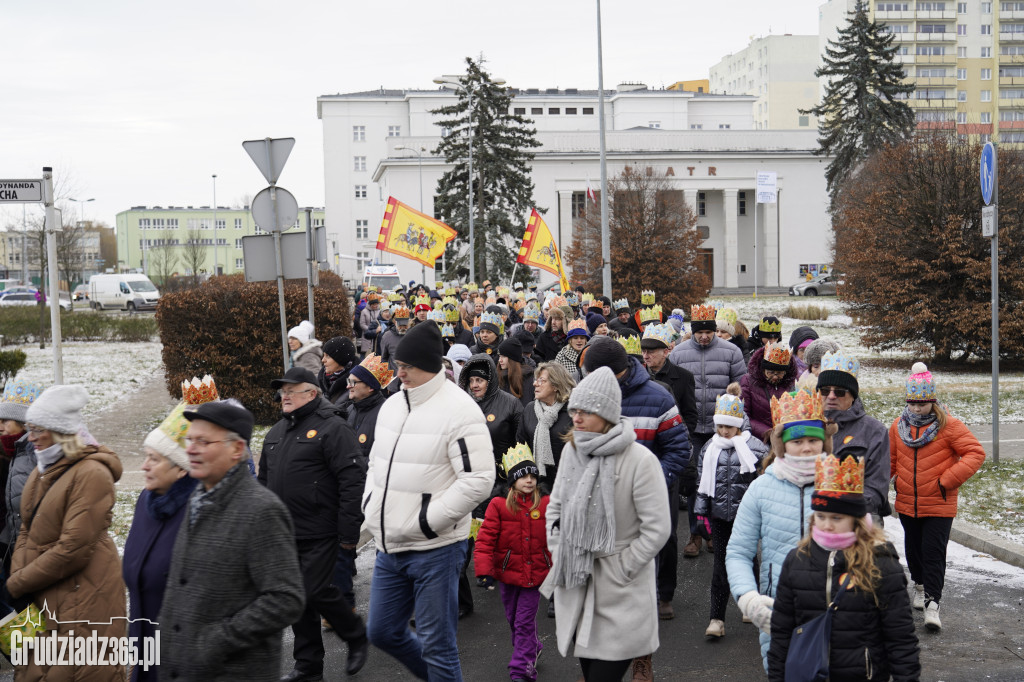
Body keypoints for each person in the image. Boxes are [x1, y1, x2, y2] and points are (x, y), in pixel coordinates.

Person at [362, 321, 495, 682]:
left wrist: (426, 520)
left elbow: (479, 479)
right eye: (398, 365)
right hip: (390, 549)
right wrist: (369, 513)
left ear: (431, 367)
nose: (398, 372)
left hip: (436, 549)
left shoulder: (460, 410)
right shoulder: (392, 406)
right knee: (382, 632)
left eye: (407, 367)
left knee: (439, 646)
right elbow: (377, 466)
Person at [541, 367, 670, 682]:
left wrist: (623, 567)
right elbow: (555, 507)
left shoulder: (640, 460)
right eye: (575, 410)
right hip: (576, 580)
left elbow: (658, 528)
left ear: (608, 413)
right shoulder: (573, 449)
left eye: (586, 411)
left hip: (621, 592)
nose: (577, 417)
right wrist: (560, 550)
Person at [161, 400, 306, 681]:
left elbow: (286, 599)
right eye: (190, 440)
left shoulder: (262, 510)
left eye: (203, 441)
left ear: (237, 449)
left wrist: (215, 641)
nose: (190, 448)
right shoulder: (198, 498)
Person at [580, 337, 689, 676]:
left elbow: (679, 451)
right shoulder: (589, 399)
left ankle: (642, 656)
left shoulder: (658, 399)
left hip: (644, 502)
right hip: (598, 504)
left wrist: (650, 481)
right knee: (596, 583)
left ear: (618, 374)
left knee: (641, 579)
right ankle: (595, 658)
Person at [7, 385, 127, 681]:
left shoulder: (91, 474)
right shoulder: (41, 470)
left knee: (78, 669)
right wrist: (20, 576)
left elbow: (72, 549)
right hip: (46, 592)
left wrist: (19, 581)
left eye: (37, 429)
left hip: (83, 593)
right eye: (29, 428)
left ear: (59, 431)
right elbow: (26, 528)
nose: (30, 437)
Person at [767, 452, 921, 681]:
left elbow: (900, 638)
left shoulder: (881, 563)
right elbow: (781, 631)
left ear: (856, 519)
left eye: (837, 518)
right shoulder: (797, 560)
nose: (827, 525)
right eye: (821, 516)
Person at [258, 366, 369, 680]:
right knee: (298, 597)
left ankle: (354, 632)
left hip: (323, 530)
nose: (285, 396)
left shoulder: (333, 427)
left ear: (312, 392)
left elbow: (352, 480)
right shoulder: (277, 432)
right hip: (286, 533)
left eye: (292, 390)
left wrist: (349, 531)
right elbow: (264, 483)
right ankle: (308, 666)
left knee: (312, 590)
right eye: (283, 391)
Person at [726, 386, 830, 669]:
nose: (807, 447)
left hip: (832, 607)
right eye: (797, 441)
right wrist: (748, 598)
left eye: (813, 439)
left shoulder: (840, 487)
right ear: (781, 444)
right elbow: (738, 551)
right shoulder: (761, 488)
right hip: (777, 609)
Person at [123, 378, 211, 682]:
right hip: (145, 650)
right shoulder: (146, 501)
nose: (144, 466)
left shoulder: (202, 511)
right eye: (146, 457)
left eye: (154, 459)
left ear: (181, 468)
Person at [890, 363, 985, 632]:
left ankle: (933, 604)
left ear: (933, 401)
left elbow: (975, 453)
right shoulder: (898, 427)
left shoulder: (949, 426)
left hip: (940, 504)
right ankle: (918, 586)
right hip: (908, 502)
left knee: (933, 553)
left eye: (923, 404)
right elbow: (891, 461)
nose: (917, 409)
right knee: (913, 550)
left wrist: (947, 481)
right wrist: (881, 483)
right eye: (913, 403)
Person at [670, 304, 746, 558]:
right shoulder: (679, 354)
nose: (704, 336)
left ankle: (715, 532)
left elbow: (740, 388)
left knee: (720, 481)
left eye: (708, 332)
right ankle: (695, 533)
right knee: (694, 482)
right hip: (690, 427)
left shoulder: (731, 352)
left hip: (721, 428)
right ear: (692, 331)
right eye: (699, 331)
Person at [694, 384, 768, 639]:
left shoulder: (755, 448)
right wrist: (701, 515)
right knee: (721, 565)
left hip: (747, 517)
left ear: (739, 424)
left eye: (729, 426)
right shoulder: (709, 448)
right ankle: (716, 618)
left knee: (749, 559)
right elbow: (701, 485)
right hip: (720, 516)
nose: (724, 431)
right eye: (720, 426)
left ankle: (749, 602)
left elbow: (764, 483)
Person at [474, 445, 551, 682]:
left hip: (534, 575)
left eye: (533, 476)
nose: (529, 480)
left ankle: (521, 670)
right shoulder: (498, 505)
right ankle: (533, 647)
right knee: (513, 619)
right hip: (508, 574)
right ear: (512, 481)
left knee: (524, 621)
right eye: (523, 476)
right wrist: (484, 571)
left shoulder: (546, 503)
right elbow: (485, 540)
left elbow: (557, 537)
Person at [817, 350, 890, 524]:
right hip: (813, 514)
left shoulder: (874, 431)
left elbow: (876, 487)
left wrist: (842, 509)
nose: (832, 396)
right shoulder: (806, 424)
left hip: (858, 517)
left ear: (852, 395)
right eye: (825, 390)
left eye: (840, 392)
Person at [0, 378, 43, 611]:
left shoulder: (34, 454)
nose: (0, 426)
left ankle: (29, 646)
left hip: (31, 552)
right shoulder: (8, 451)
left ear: (24, 424)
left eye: (5, 420)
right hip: (10, 550)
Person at [517, 362, 575, 496]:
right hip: (536, 486)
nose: (535, 384)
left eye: (541, 380)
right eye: (536, 380)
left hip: (566, 486)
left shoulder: (572, 412)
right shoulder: (530, 409)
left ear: (555, 385)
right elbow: (521, 446)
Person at [641, 322, 698, 439]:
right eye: (644, 351)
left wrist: (682, 439)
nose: (645, 356)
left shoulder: (684, 377)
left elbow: (690, 415)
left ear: (665, 352)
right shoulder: (637, 377)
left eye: (651, 352)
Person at [740, 341, 798, 441]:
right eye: (770, 373)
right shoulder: (748, 382)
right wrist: (768, 432)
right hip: (757, 438)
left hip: (785, 437)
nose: (775, 377)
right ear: (763, 370)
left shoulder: (791, 383)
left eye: (779, 373)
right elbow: (743, 415)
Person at [319, 335, 359, 405]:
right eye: (323, 355)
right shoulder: (322, 380)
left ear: (341, 359)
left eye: (328, 356)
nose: (323, 360)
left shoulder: (354, 382)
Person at [498, 337, 535, 406]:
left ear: (512, 358)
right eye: (499, 356)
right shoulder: (499, 378)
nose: (500, 360)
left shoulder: (530, 379)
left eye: (503, 356)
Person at [380, 305, 411, 370]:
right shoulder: (387, 336)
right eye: (400, 325)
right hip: (394, 376)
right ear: (395, 322)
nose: (402, 328)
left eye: (405, 325)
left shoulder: (414, 335)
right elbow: (383, 359)